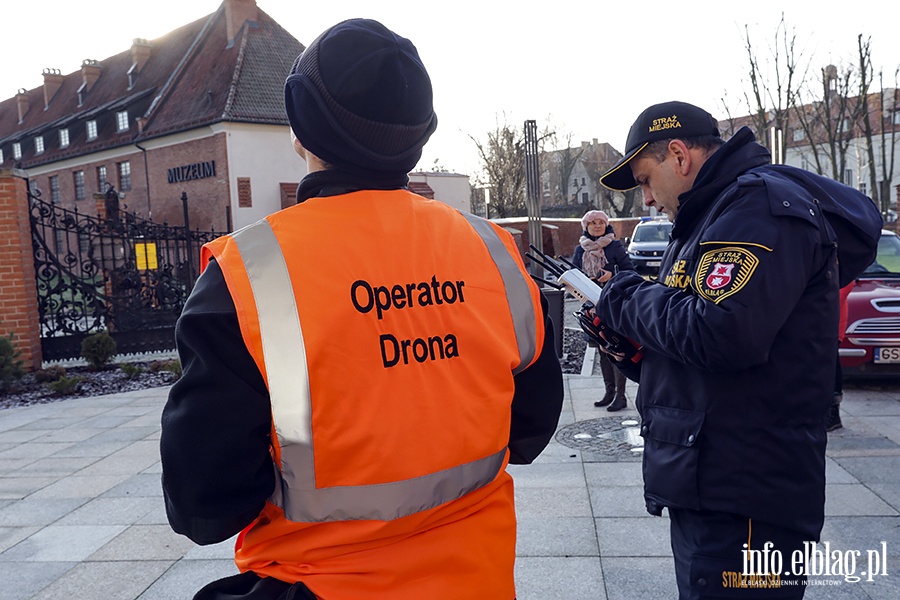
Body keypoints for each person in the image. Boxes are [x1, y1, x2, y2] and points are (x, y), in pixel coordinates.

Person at [159, 18, 564, 600]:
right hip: (478, 581)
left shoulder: (250, 274)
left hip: (319, 584)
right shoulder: (490, 250)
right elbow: (529, 430)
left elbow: (205, 505)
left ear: (302, 130)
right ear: (419, 134)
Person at [592, 101, 881, 599]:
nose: (646, 200)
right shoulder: (712, 216)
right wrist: (635, 354)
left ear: (678, 156)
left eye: (644, 180)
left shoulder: (757, 209)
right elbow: (709, 348)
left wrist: (626, 295)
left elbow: (722, 334)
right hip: (712, 485)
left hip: (745, 499)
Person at [571, 209, 635, 410]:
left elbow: (630, 272)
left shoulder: (615, 246)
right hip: (592, 307)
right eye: (593, 223)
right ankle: (609, 392)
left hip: (614, 304)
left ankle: (620, 396)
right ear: (586, 227)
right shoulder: (580, 250)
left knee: (616, 346)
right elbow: (573, 274)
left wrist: (611, 275)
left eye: (601, 222)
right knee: (602, 348)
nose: (597, 226)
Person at [827, 282, 854, 431]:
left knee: (832, 368)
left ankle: (833, 412)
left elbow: (842, 291)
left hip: (832, 322)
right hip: (823, 321)